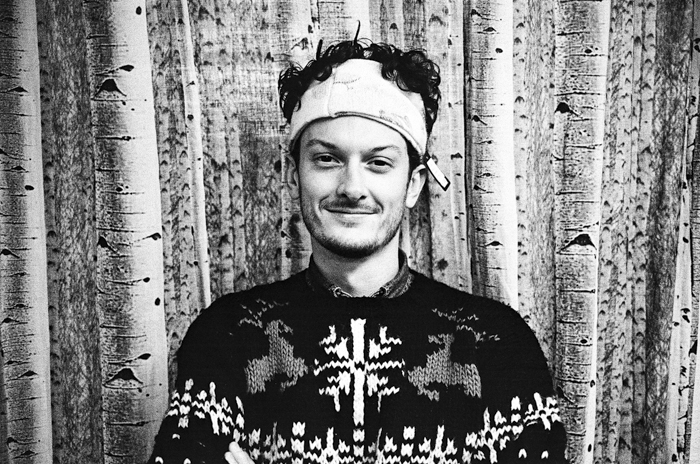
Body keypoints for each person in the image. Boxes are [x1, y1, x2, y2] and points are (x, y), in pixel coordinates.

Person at [148, 38, 567, 464]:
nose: (351, 187)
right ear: (295, 176)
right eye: (327, 159)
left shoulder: (496, 345)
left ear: (414, 184)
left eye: (378, 162)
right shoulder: (228, 338)